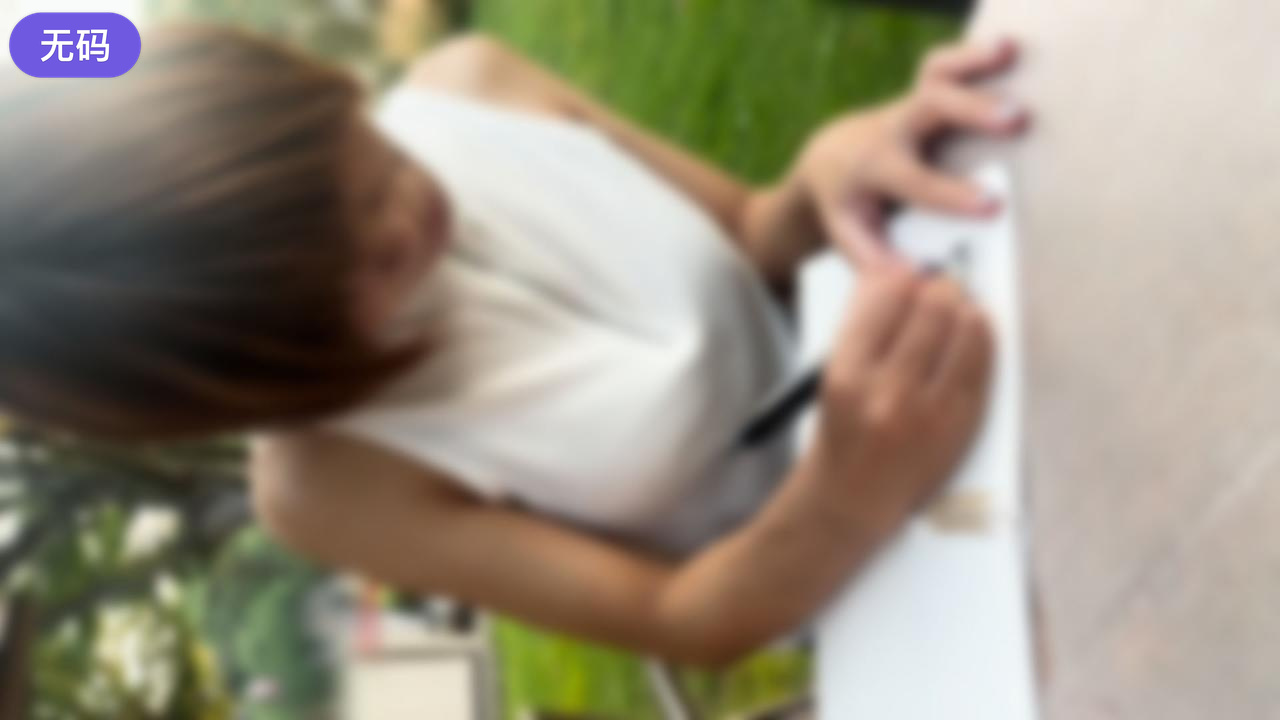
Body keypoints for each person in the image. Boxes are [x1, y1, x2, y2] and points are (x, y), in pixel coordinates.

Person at [0, 26, 1027, 664]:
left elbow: (755, 233)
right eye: (353, 273)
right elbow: (681, 618)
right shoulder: (327, 484)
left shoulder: (470, 82)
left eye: (363, 169)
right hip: (914, 584)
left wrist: (831, 173)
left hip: (961, 348)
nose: (403, 220)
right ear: (247, 378)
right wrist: (845, 494)